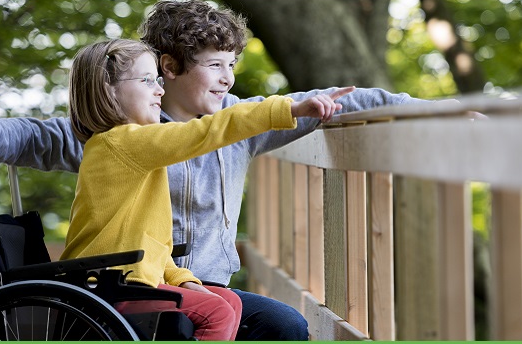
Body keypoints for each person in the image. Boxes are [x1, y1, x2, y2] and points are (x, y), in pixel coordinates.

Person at [0, 0, 456, 340]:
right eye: (215, 65)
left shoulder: (239, 123)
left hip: (194, 281)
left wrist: (435, 111)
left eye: (233, 64)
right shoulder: (118, 134)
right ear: (169, 68)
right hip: (127, 286)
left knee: (287, 327)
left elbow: (341, 99)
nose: (228, 80)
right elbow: (37, 136)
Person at [62, 38, 351, 340]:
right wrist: (286, 109)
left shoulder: (135, 151)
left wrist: (183, 279)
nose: (159, 90)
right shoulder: (122, 142)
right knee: (219, 312)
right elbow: (207, 131)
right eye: (147, 81)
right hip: (106, 287)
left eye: (157, 80)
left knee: (227, 301)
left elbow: (152, 247)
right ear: (108, 89)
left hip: (126, 279)